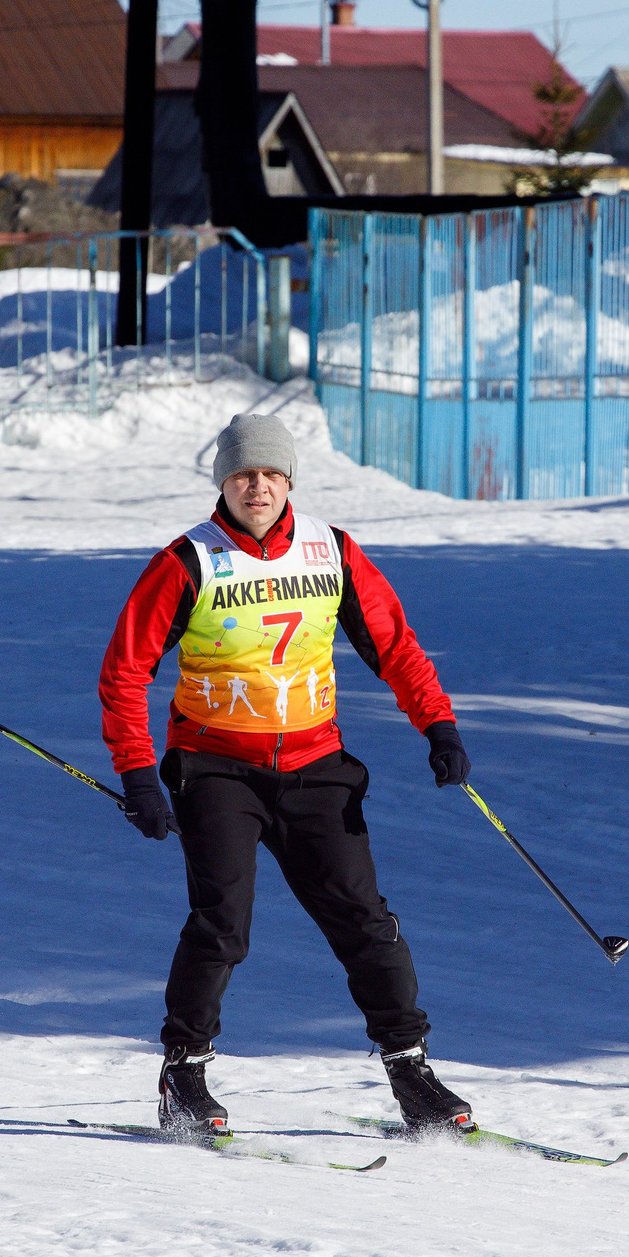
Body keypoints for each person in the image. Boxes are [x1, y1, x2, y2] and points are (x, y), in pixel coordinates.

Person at [98, 413, 475, 1136]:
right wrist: (140, 775)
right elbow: (125, 672)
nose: (258, 486)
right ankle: (184, 1075)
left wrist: (439, 725)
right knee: (222, 925)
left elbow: (394, 645)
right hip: (216, 770)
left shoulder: (330, 551)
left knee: (366, 922)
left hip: (316, 766)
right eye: (243, 474)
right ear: (224, 483)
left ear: (290, 480)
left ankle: (411, 1071)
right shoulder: (188, 562)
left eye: (271, 474)